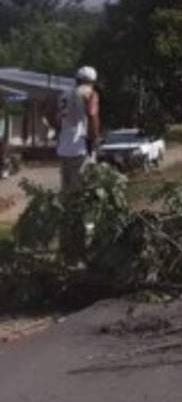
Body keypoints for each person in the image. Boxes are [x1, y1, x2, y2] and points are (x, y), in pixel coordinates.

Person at [55, 66, 101, 263]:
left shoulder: (64, 95)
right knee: (85, 199)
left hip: (64, 151)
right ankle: (85, 251)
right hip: (81, 151)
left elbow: (55, 118)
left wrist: (61, 136)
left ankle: (67, 249)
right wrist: (94, 138)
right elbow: (91, 114)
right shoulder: (90, 93)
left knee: (68, 201)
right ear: (92, 81)